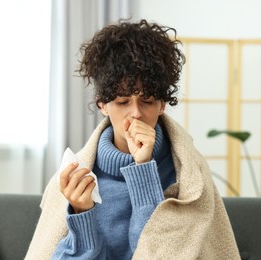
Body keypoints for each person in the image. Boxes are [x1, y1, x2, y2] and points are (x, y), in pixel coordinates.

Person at [25, 19, 240, 260]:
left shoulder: (188, 175)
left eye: (147, 100)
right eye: (122, 102)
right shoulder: (79, 176)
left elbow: (158, 254)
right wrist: (81, 213)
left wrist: (143, 168)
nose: (136, 113)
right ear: (103, 105)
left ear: (162, 105)